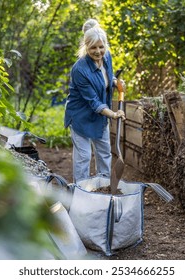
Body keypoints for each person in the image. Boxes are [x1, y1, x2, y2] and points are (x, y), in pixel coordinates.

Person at [64, 19, 125, 183]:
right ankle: (82, 191)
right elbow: (94, 102)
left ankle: (103, 185)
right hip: (81, 116)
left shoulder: (107, 57)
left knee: (104, 151)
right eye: (93, 48)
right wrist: (113, 114)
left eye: (101, 47)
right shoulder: (79, 69)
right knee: (84, 156)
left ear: (105, 45)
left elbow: (107, 76)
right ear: (86, 47)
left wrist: (115, 82)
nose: (98, 51)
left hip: (100, 115)